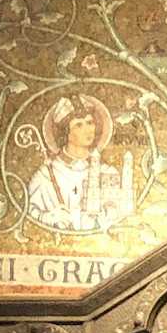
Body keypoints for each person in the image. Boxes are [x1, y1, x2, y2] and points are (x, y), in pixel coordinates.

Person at [25, 96, 132, 234]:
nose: (88, 129)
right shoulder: (46, 175)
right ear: (66, 133)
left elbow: (120, 214)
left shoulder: (108, 173)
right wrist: (48, 217)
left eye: (90, 122)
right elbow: (29, 212)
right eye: (79, 125)